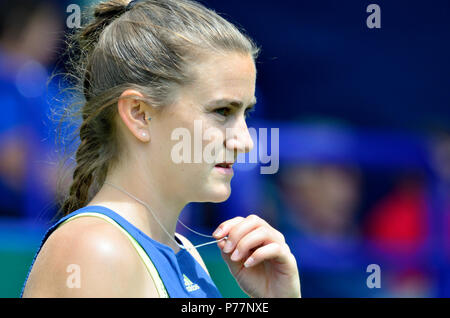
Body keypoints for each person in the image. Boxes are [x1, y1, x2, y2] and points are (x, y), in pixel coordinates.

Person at [21, 0, 301, 298]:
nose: (245, 142)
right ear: (140, 114)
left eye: (245, 114)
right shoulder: (97, 249)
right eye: (222, 111)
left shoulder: (187, 253)